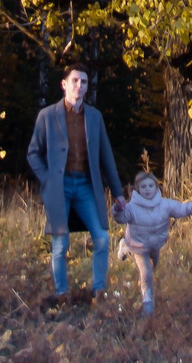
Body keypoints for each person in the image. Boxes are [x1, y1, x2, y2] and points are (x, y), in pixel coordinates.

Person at [25, 66, 125, 301]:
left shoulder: (94, 117)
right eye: (75, 81)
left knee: (102, 237)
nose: (79, 86)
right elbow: (33, 153)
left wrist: (118, 192)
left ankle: (99, 291)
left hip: (85, 186)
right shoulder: (48, 115)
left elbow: (106, 156)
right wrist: (47, 178)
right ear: (64, 84)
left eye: (84, 82)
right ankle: (62, 294)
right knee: (61, 243)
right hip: (59, 188)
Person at [109, 169, 192, 315]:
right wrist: (117, 209)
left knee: (154, 267)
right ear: (137, 189)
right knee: (146, 273)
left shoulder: (165, 204)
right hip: (138, 246)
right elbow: (120, 218)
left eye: (150, 186)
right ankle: (147, 303)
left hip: (155, 245)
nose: (147, 189)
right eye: (143, 187)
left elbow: (181, 209)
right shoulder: (132, 208)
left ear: (156, 187)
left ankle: (124, 246)